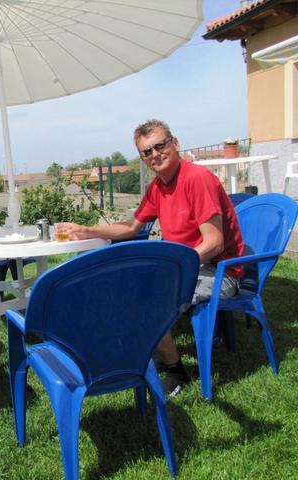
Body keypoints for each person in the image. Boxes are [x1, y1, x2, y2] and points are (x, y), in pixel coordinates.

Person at [61, 119, 244, 396]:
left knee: (147, 301)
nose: (155, 155)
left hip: (219, 271)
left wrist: (171, 271)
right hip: (186, 266)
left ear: (175, 143)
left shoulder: (197, 178)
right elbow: (132, 227)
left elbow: (214, 243)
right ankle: (143, 352)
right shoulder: (158, 187)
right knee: (123, 285)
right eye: (147, 152)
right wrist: (89, 230)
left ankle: (175, 372)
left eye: (160, 146)